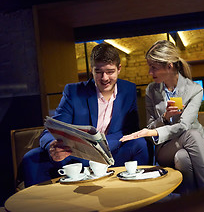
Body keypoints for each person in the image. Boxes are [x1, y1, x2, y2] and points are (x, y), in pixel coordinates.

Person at [21, 42, 149, 187]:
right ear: (92, 71)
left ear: (119, 69)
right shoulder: (73, 92)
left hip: (113, 152)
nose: (105, 78)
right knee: (31, 158)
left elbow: (130, 130)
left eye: (110, 71)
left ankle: (141, 192)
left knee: (139, 144)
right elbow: (49, 131)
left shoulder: (128, 89)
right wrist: (52, 146)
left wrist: (102, 145)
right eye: (99, 71)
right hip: (78, 155)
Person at [121, 40, 204, 194]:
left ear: (169, 66)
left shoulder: (195, 90)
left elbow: (184, 126)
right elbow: (151, 124)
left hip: (199, 145)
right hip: (166, 148)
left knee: (183, 157)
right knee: (191, 135)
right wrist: (165, 117)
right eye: (150, 67)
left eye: (153, 68)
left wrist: (153, 132)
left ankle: (192, 204)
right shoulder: (151, 91)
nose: (150, 73)